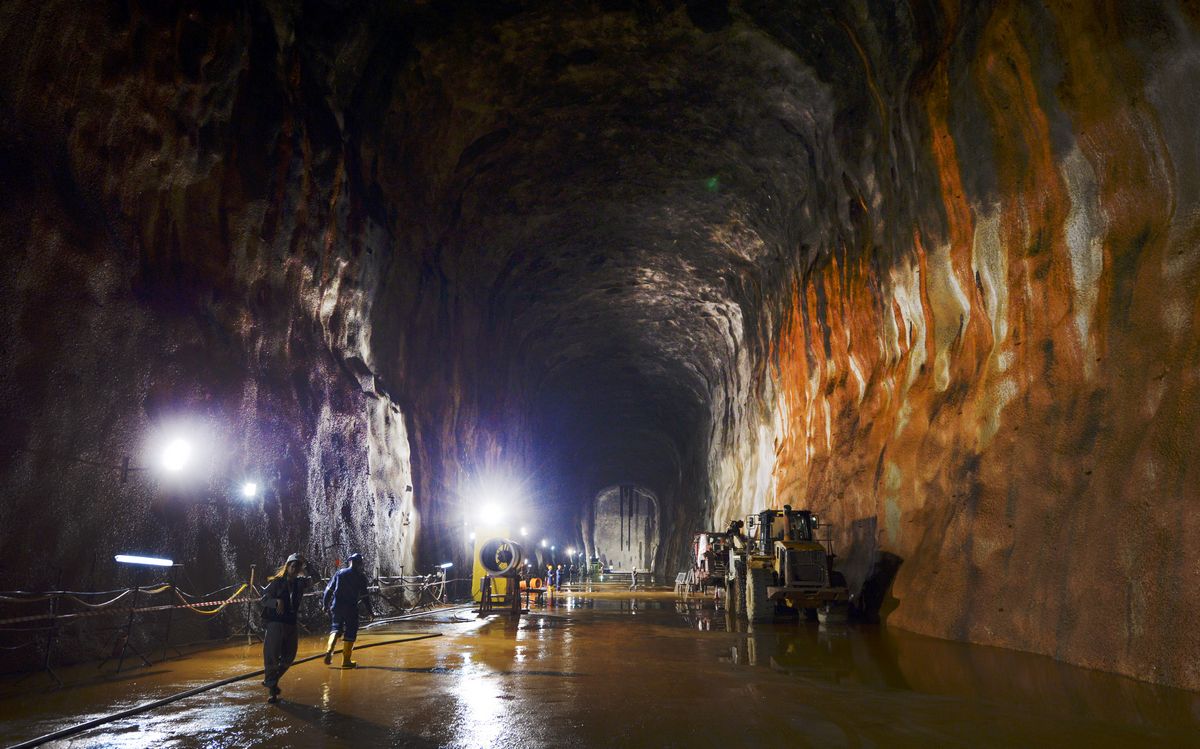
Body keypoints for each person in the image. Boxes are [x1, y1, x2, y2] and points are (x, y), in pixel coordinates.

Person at [261, 553, 311, 703]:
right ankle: (272, 692)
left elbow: (318, 579)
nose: (295, 568)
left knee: (289, 656)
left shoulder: (300, 583)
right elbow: (264, 599)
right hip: (276, 624)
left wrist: (307, 564)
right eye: (293, 565)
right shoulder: (277, 582)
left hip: (291, 623)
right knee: (272, 657)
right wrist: (276, 601)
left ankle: (272, 680)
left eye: (298, 566)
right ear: (287, 566)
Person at [322, 552, 371, 668]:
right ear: (360, 564)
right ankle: (346, 661)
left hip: (337, 606)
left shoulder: (339, 573)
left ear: (350, 561)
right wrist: (370, 611)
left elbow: (328, 590)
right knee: (351, 632)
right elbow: (365, 596)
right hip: (351, 608)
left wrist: (325, 604)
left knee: (335, 629)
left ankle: (329, 651)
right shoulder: (361, 577)